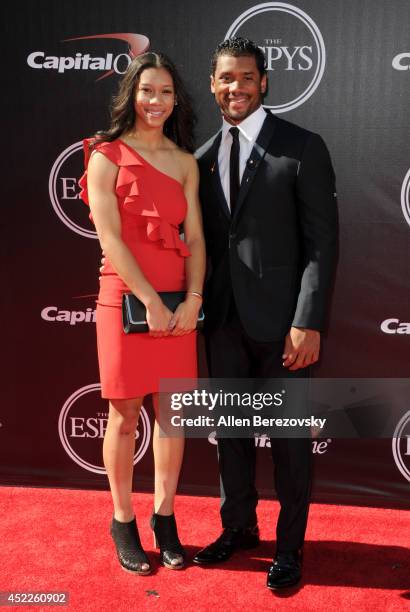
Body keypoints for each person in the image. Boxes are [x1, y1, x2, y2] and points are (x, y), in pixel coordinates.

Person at [192, 38, 338, 590]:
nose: (236, 87)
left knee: (289, 444)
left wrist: (309, 319)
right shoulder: (202, 159)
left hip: (285, 328)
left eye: (247, 77)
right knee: (230, 434)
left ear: (265, 82)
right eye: (226, 78)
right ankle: (238, 529)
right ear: (213, 84)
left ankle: (290, 548)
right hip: (224, 320)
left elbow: (323, 244)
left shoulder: (302, 147)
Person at [79, 51, 205, 575]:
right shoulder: (106, 155)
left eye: (166, 92)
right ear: (131, 93)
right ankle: (122, 521)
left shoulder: (184, 161)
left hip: (177, 304)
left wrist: (193, 299)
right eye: (147, 90)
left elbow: (195, 239)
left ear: (177, 101)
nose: (156, 101)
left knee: (173, 417)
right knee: (125, 415)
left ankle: (166, 518)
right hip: (125, 299)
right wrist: (148, 301)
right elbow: (109, 236)